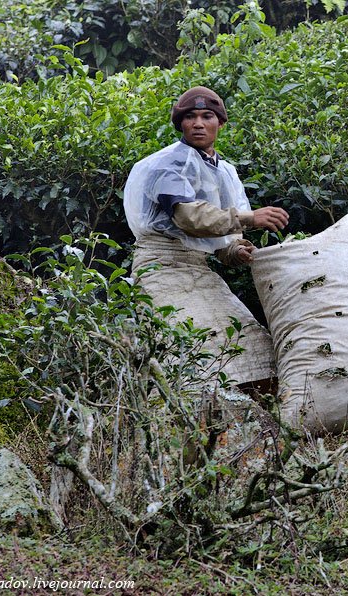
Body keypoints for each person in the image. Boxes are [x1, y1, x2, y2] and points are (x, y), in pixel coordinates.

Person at [123, 86, 289, 388]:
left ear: (220, 124)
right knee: (192, 351)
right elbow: (189, 218)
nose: (198, 123)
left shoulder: (224, 171)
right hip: (161, 268)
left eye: (207, 116)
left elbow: (222, 240)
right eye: (191, 117)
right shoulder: (167, 164)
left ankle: (253, 428)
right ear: (181, 125)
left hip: (199, 269)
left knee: (251, 347)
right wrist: (251, 218)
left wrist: (238, 251)